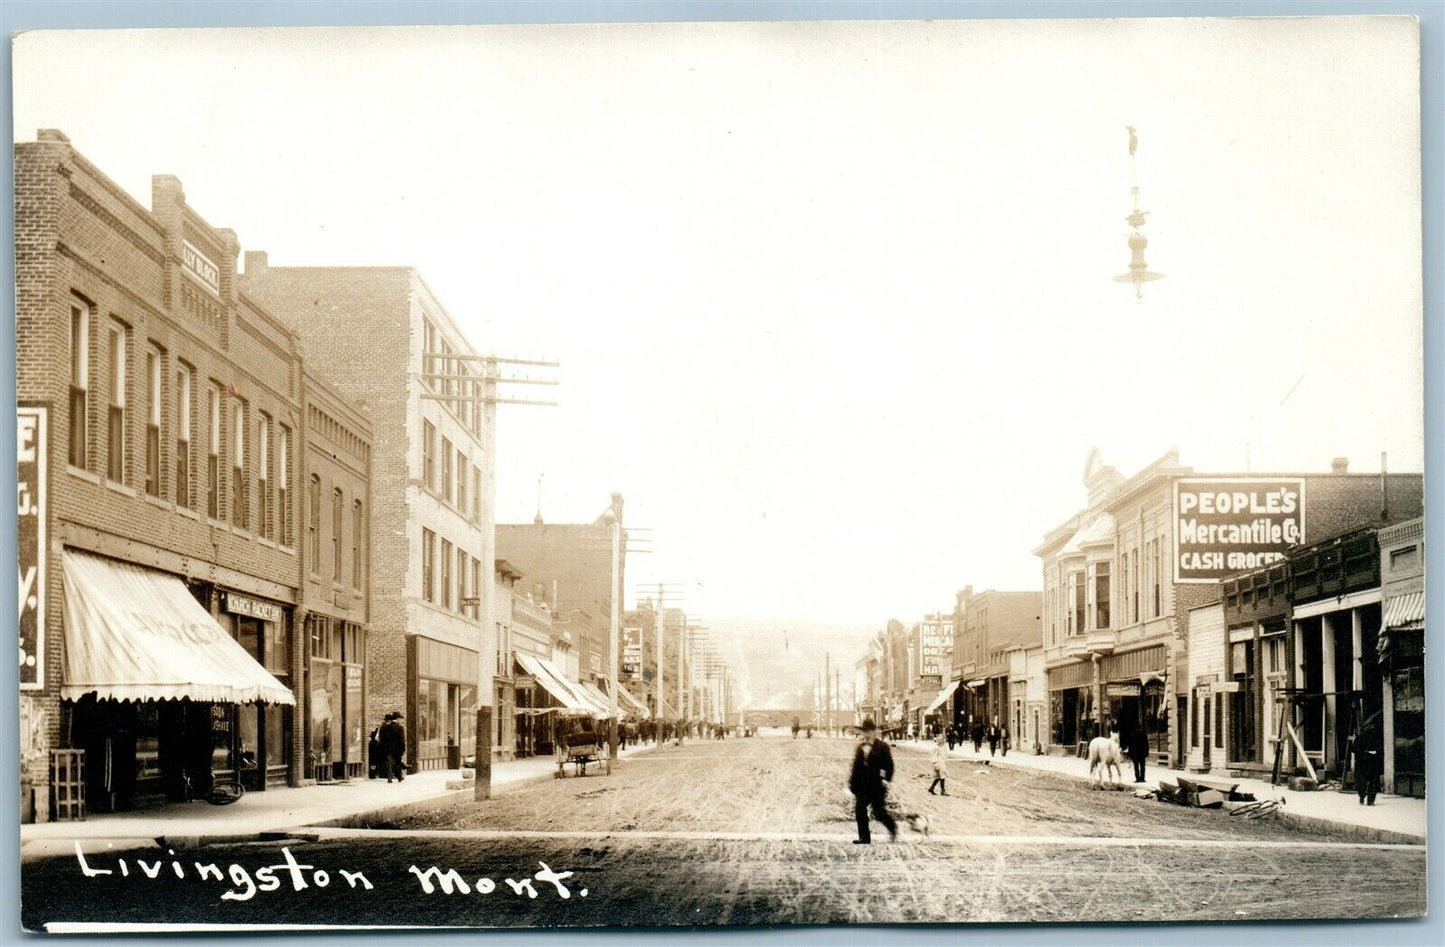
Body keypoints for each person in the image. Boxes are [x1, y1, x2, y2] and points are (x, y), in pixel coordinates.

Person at [849, 718, 898, 844]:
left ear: (874, 732)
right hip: (863, 786)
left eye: (869, 731)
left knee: (879, 812)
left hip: (877, 785)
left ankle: (892, 828)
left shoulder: (882, 747)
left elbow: (889, 765)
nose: (866, 734)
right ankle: (864, 837)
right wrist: (852, 784)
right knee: (860, 809)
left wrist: (885, 779)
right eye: (864, 731)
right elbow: (856, 767)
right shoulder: (860, 748)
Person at [1354, 725, 1383, 806]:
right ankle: (1370, 800)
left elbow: (1355, 750)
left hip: (1363, 764)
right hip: (1373, 764)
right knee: (1373, 782)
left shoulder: (1360, 738)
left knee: (1362, 782)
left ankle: (1362, 796)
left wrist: (1363, 755)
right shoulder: (1377, 739)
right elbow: (1380, 751)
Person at [380, 711, 407, 783]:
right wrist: (403, 749)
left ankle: (389, 777)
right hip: (397, 748)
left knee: (389, 762)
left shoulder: (386, 727)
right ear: (397, 719)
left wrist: (383, 747)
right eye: (400, 718)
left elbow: (382, 738)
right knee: (397, 762)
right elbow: (402, 740)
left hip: (388, 748)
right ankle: (399, 776)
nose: (400, 720)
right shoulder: (400, 727)